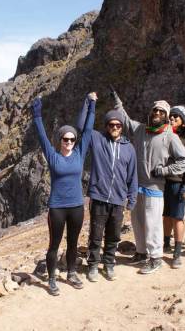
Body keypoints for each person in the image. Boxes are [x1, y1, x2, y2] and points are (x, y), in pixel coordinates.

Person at [112, 91, 185, 274]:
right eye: (155, 111)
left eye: (161, 112)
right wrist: (117, 101)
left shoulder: (170, 136)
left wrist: (165, 170)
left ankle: (155, 257)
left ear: (165, 116)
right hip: (136, 185)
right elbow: (124, 120)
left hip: (155, 187)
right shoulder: (141, 129)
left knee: (153, 223)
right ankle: (140, 252)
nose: (157, 114)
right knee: (137, 221)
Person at [31, 93, 96, 296]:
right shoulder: (52, 156)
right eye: (65, 139)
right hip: (57, 207)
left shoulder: (79, 151)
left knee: (73, 243)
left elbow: (88, 129)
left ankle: (71, 273)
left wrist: (92, 105)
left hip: (77, 206)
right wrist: (36, 112)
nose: (69, 141)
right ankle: (51, 279)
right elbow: (41, 134)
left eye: (72, 139)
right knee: (54, 244)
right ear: (60, 140)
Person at [75, 94, 138, 282]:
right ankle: (93, 265)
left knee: (113, 236)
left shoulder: (129, 148)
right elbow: (81, 127)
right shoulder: (97, 139)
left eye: (118, 125)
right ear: (107, 126)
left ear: (122, 127)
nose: (115, 128)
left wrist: (132, 198)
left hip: (118, 199)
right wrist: (88, 103)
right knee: (95, 234)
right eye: (111, 125)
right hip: (99, 197)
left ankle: (109, 264)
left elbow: (132, 175)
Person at [162, 105, 185, 269]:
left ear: (183, 120)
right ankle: (165, 243)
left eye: (177, 116)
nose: (173, 118)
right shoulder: (163, 133)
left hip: (178, 183)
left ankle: (177, 252)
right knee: (166, 215)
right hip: (163, 182)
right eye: (171, 116)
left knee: (178, 217)